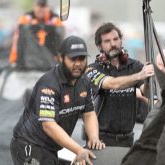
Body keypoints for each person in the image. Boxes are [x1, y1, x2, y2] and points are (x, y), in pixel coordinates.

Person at [10, 36, 105, 165]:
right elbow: (49, 125)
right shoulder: (49, 84)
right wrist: (78, 149)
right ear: (60, 58)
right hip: (30, 145)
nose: (77, 63)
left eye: (82, 58)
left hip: (50, 149)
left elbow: (88, 114)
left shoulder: (85, 81)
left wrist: (94, 138)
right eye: (72, 59)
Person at [85, 22, 154, 147]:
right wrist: (140, 76)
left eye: (116, 39)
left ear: (121, 40)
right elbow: (112, 84)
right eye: (107, 41)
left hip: (127, 138)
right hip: (99, 139)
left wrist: (149, 79)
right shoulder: (92, 69)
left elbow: (146, 92)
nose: (113, 44)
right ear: (99, 46)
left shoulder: (135, 66)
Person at [9, 0, 64, 69]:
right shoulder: (25, 19)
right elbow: (17, 41)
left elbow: (61, 41)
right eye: (39, 6)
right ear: (34, 6)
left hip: (51, 63)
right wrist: (14, 60)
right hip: (29, 63)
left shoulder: (55, 20)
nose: (41, 9)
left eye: (43, 6)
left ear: (48, 7)